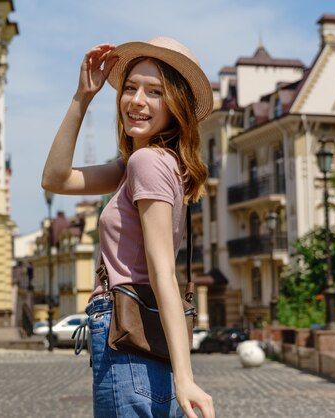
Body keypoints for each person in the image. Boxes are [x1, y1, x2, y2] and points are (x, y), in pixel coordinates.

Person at [42, 37, 215, 418]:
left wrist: (186, 377)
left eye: (155, 92)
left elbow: (162, 272)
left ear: (177, 106)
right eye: (131, 87)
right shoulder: (143, 164)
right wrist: (82, 97)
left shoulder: (146, 164)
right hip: (142, 344)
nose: (136, 100)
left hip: (125, 334)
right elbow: (56, 179)